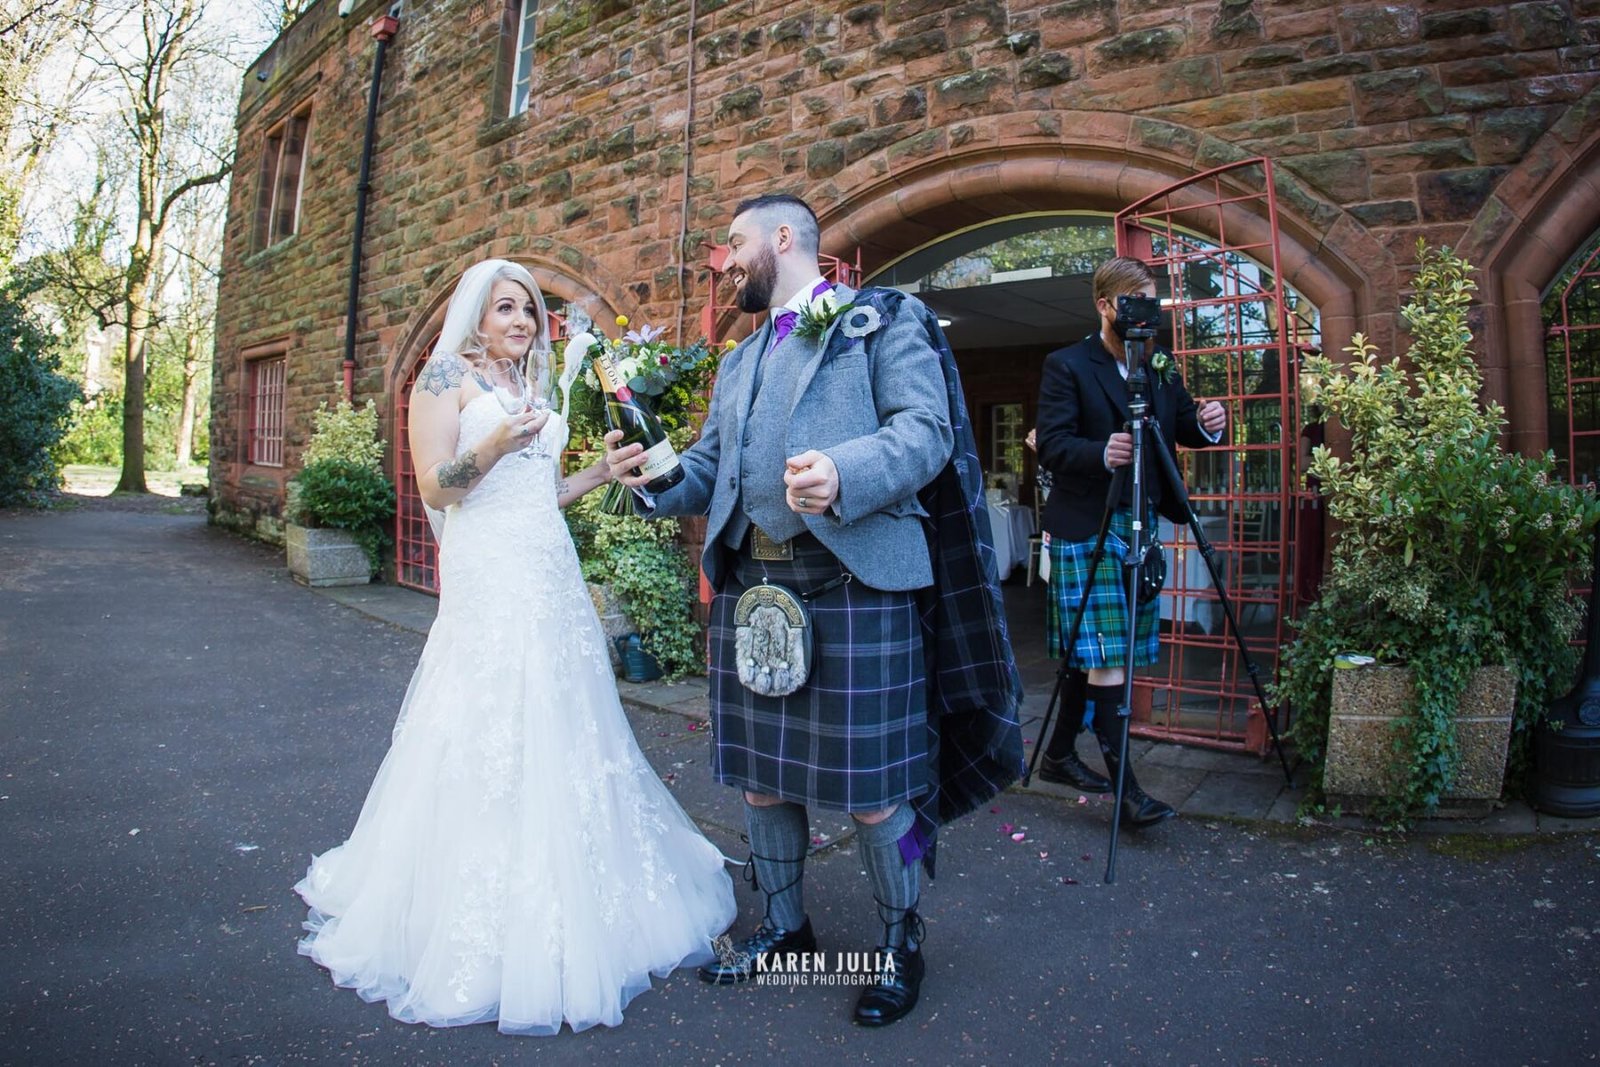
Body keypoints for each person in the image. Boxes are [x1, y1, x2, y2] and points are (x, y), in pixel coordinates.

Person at [605, 194, 1020, 1028]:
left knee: (881, 793)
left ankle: (901, 937)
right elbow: (710, 471)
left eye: (733, 244)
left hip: (856, 592)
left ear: (783, 239)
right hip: (755, 593)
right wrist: (653, 477)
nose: (724, 263)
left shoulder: (881, 320)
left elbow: (927, 430)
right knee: (760, 781)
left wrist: (845, 470)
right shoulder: (736, 362)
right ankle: (785, 927)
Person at [294, 259, 736, 1036]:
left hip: (549, 572)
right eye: (507, 309)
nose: (523, 322)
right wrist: (494, 442)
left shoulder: (531, 385)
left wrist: (600, 471)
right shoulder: (442, 379)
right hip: (491, 578)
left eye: (530, 309)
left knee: (564, 716)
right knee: (490, 717)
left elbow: (540, 492)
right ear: (477, 316)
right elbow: (436, 487)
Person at [1033, 256, 1228, 827]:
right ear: (1105, 305)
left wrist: (1212, 422)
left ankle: (1061, 755)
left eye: (1153, 302)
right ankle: (1128, 794)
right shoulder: (1067, 365)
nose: (1147, 314)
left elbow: (1185, 427)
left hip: (1142, 521)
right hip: (1086, 526)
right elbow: (1052, 445)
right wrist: (1101, 452)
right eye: (1134, 302)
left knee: (1091, 655)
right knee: (1108, 656)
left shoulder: (1160, 369)